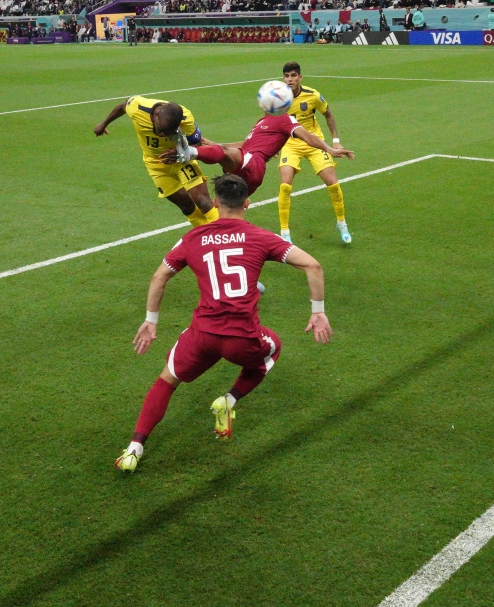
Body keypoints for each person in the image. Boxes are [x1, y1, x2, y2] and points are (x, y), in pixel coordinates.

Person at [115, 174, 332, 472]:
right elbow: (313, 265)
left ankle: (134, 448)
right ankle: (229, 401)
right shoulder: (261, 237)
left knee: (166, 380)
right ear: (247, 203)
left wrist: (151, 321)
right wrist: (317, 311)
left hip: (201, 335)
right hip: (242, 338)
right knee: (273, 348)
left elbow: (159, 277)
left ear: (215, 203)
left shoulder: (192, 238)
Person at [164, 99, 354, 207]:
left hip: (254, 164)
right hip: (244, 167)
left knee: (223, 155)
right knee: (224, 208)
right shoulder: (261, 122)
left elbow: (307, 136)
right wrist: (215, 144)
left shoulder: (284, 119)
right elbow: (245, 145)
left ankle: (188, 152)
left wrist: (329, 148)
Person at [95, 97, 218, 228]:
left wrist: (181, 153)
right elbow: (121, 107)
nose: (163, 135)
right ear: (156, 115)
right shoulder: (138, 108)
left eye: (169, 132)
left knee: (204, 203)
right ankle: (206, 234)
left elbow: (197, 144)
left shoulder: (185, 117)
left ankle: (229, 234)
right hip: (156, 166)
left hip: (182, 161)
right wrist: (103, 124)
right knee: (186, 207)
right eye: (161, 131)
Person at [276, 62, 352, 244]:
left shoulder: (312, 95)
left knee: (332, 183)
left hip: (314, 142)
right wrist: (274, 146)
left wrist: (335, 141)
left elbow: (329, 115)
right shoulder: (278, 99)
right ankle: (284, 232)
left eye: (293, 75)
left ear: (300, 77)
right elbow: (274, 124)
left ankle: (341, 223)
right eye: (286, 76)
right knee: (285, 185)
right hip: (291, 144)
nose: (290, 79)